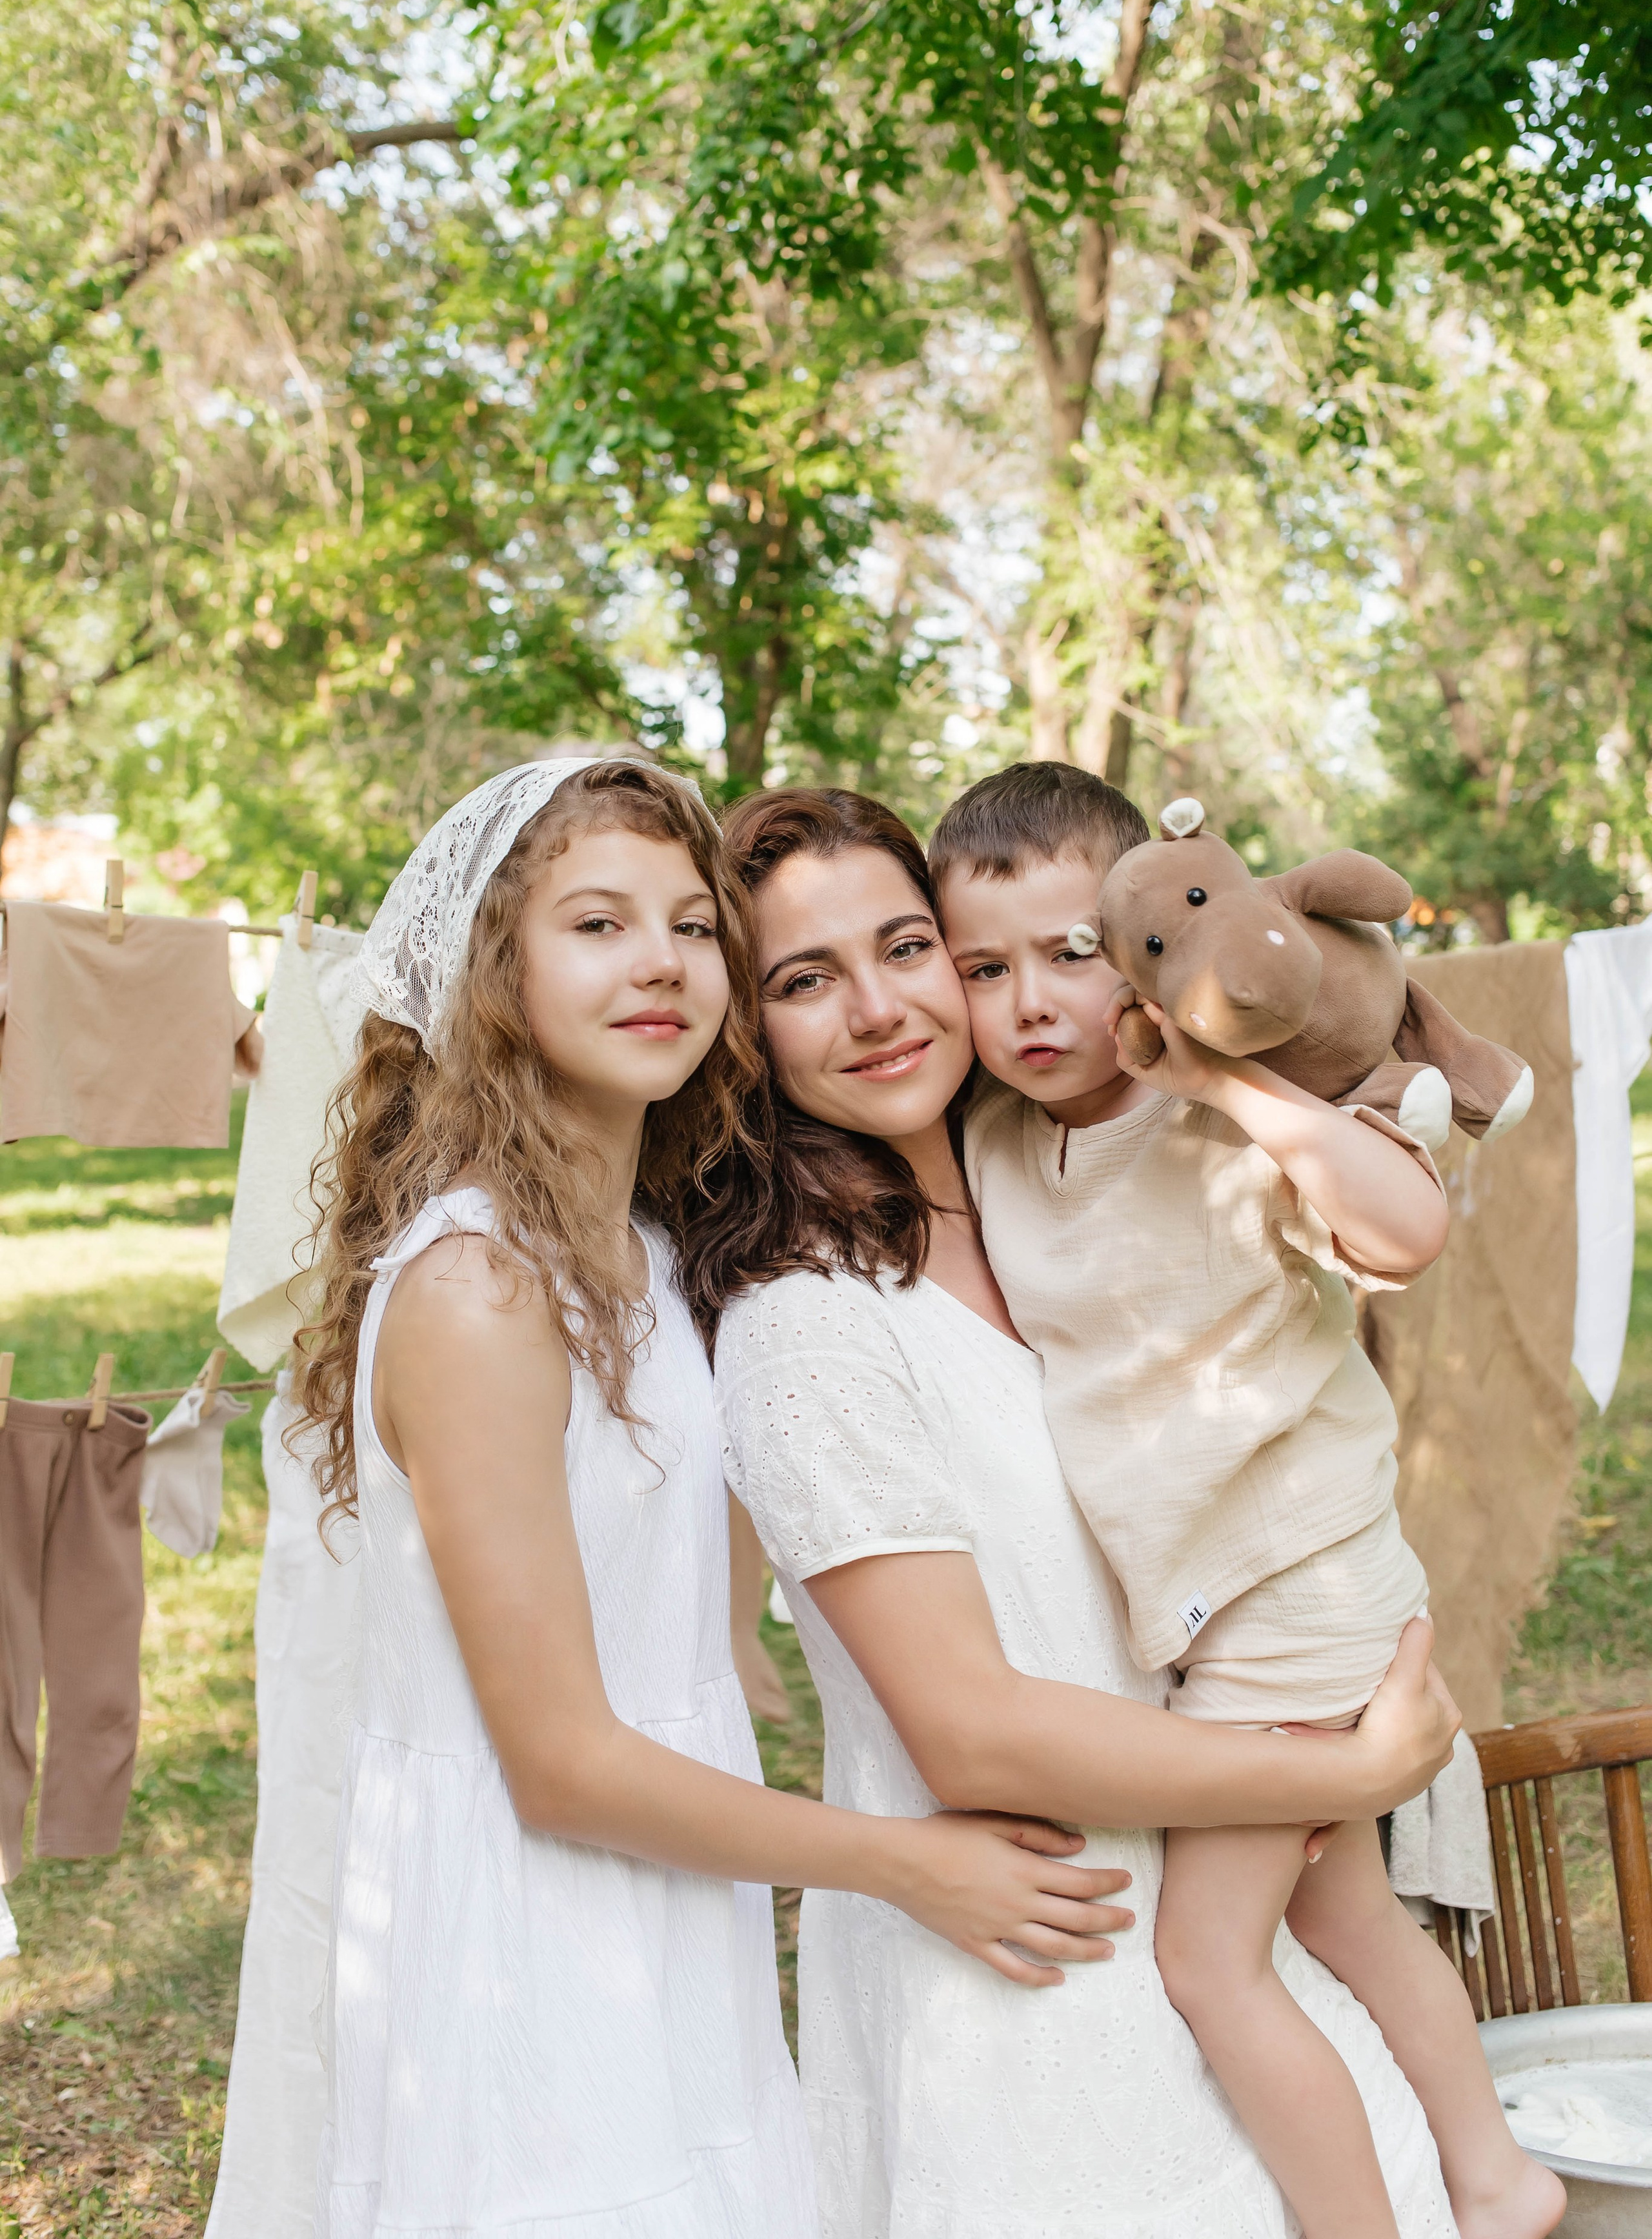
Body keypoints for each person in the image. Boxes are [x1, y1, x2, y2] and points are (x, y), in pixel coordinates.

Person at [292, 755, 1123, 2239]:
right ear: (496, 971)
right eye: (597, 927)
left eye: (690, 926)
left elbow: (698, 1628)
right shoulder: (479, 1287)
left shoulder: (650, 1261)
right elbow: (554, 1762)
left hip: (678, 1889)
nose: (661, 964)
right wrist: (902, 1862)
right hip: (530, 1932)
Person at [687, 782, 1466, 2239]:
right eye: (802, 980)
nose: (876, 1010)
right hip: (1029, 1983)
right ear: (748, 1030)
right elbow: (968, 1730)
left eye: (908, 948)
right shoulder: (807, 1322)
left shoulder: (1053, 1176)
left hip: (1226, 1899)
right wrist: (1343, 1770)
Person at [933, 760, 1564, 2239]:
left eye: (1071, 954)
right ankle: (1493, 2173)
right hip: (1212, 1606)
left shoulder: (1230, 1115)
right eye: (983, 967)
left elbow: (1405, 1229)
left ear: (1143, 947)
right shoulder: (998, 1146)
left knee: (1206, 1968)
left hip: (1300, 1585)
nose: (1029, 1001)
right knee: (1341, 1913)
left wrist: (1217, 1082)